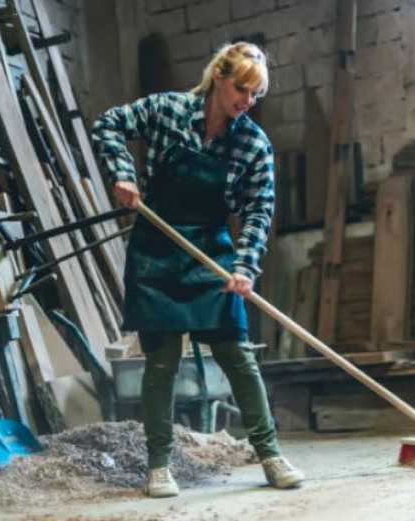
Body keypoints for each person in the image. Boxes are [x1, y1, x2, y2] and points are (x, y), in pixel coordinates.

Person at [92, 42, 304, 498]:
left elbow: (258, 208)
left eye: (256, 95)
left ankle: (269, 454)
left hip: (209, 248)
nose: (247, 102)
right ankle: (159, 466)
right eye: (242, 89)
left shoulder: (251, 143)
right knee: (162, 362)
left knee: (238, 356)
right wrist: (121, 172)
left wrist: (245, 266)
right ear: (219, 78)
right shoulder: (167, 109)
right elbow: (109, 123)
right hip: (156, 251)